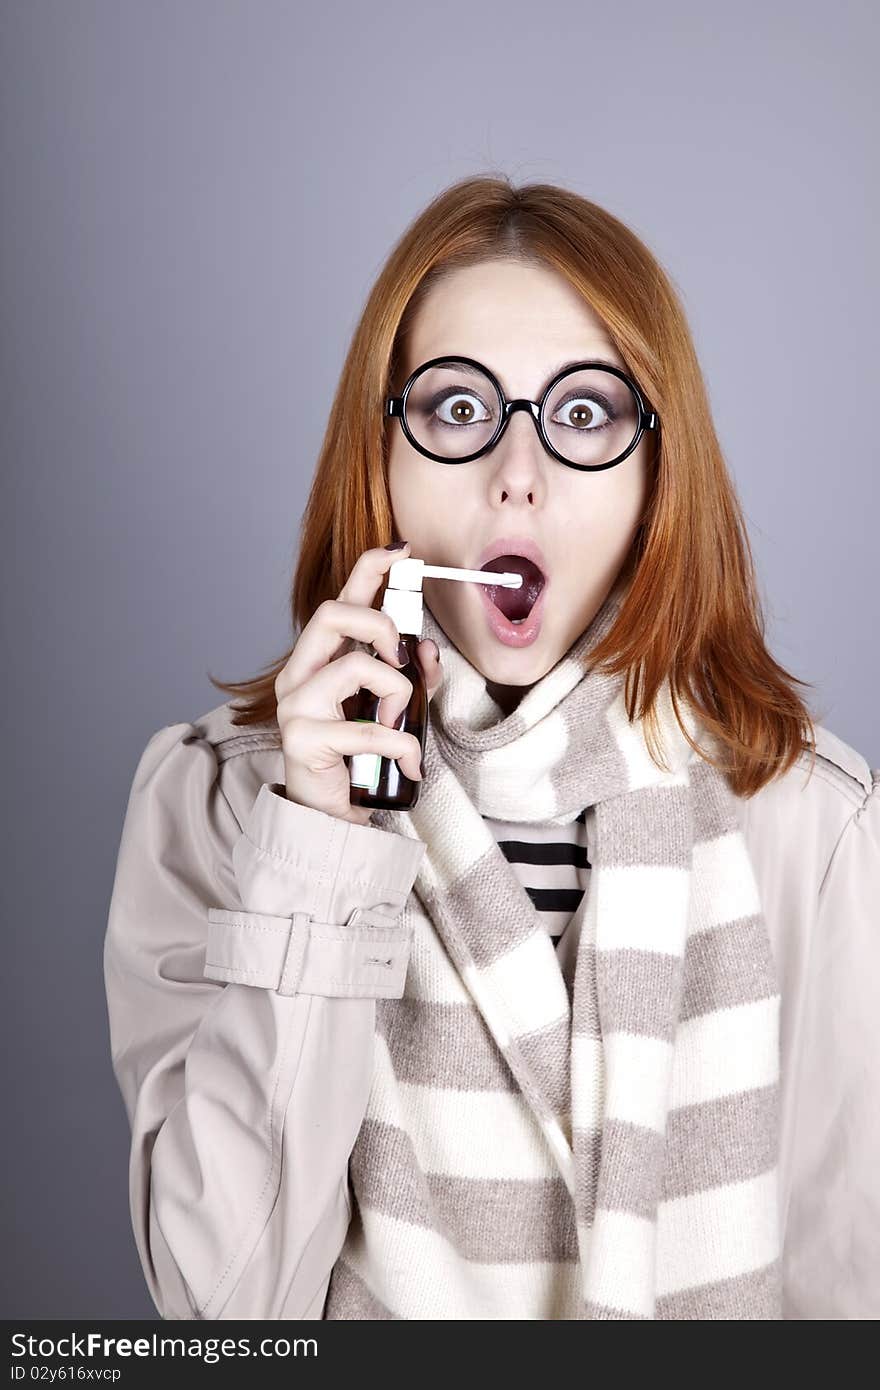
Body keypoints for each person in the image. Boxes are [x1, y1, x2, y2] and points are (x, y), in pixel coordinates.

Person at [103, 175, 879, 1320]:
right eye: (460, 409)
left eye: (582, 413)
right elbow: (222, 1308)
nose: (518, 473)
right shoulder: (224, 804)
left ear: (660, 470)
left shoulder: (804, 818)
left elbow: (839, 1292)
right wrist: (319, 844)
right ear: (382, 453)